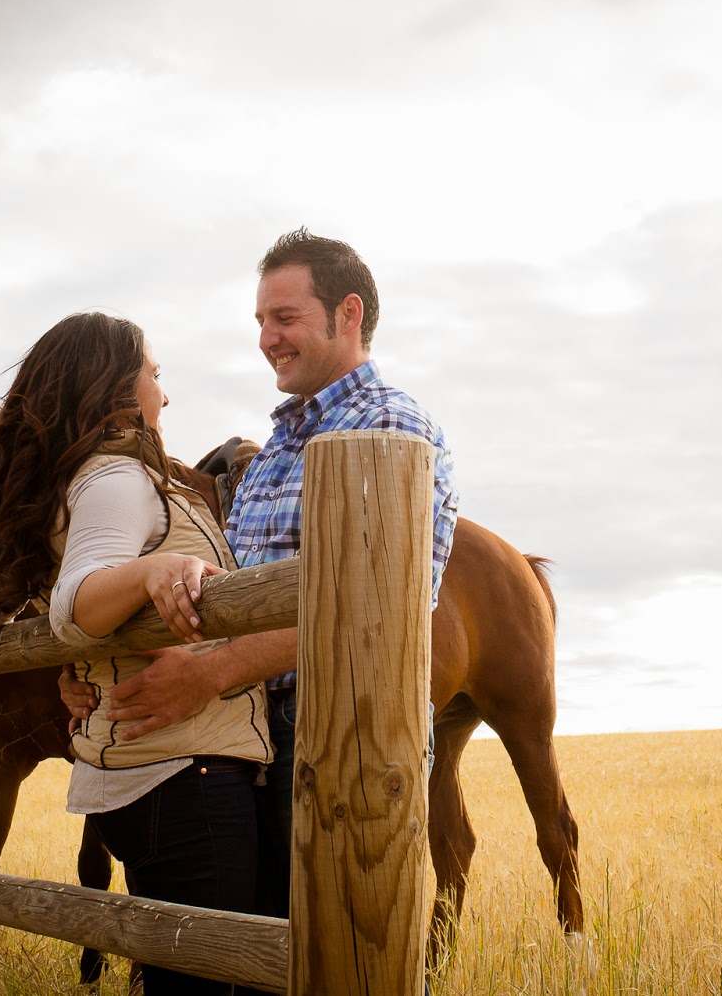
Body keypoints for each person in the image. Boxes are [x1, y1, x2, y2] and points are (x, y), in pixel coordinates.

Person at [59, 228, 459, 927]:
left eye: (285, 318)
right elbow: (230, 598)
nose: (268, 338)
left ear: (349, 314)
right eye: (261, 322)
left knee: (353, 939)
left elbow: (381, 612)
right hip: (260, 732)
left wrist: (214, 673)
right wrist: (96, 666)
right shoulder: (277, 447)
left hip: (348, 724)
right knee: (279, 947)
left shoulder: (389, 425)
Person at [0, 312, 271, 996]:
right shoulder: (119, 482)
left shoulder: (78, 483)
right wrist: (148, 573)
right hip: (186, 773)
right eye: (155, 376)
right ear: (113, 384)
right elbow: (77, 599)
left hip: (152, 775)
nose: (163, 396)